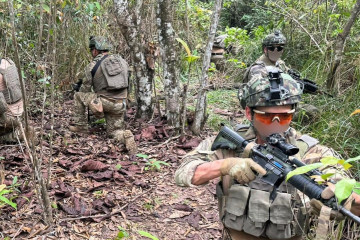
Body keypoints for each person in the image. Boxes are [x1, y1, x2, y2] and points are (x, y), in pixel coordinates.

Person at [175, 68, 360, 240]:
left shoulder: (310, 151)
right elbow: (184, 173)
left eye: (284, 116)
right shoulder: (233, 142)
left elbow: (342, 182)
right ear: (249, 113)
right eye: (266, 116)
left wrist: (345, 199)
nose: (276, 124)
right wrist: (225, 165)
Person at [69, 36, 137, 154]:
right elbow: (128, 83)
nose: (91, 53)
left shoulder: (92, 65)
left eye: (91, 50)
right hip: (121, 103)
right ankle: (124, 136)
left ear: (95, 50)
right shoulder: (122, 62)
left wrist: (79, 89)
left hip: (104, 103)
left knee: (78, 96)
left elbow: (85, 89)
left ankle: (80, 127)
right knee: (114, 132)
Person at [0, 57, 26, 143]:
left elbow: (2, 107)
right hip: (21, 114)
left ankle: (12, 136)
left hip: (7, 118)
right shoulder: (9, 62)